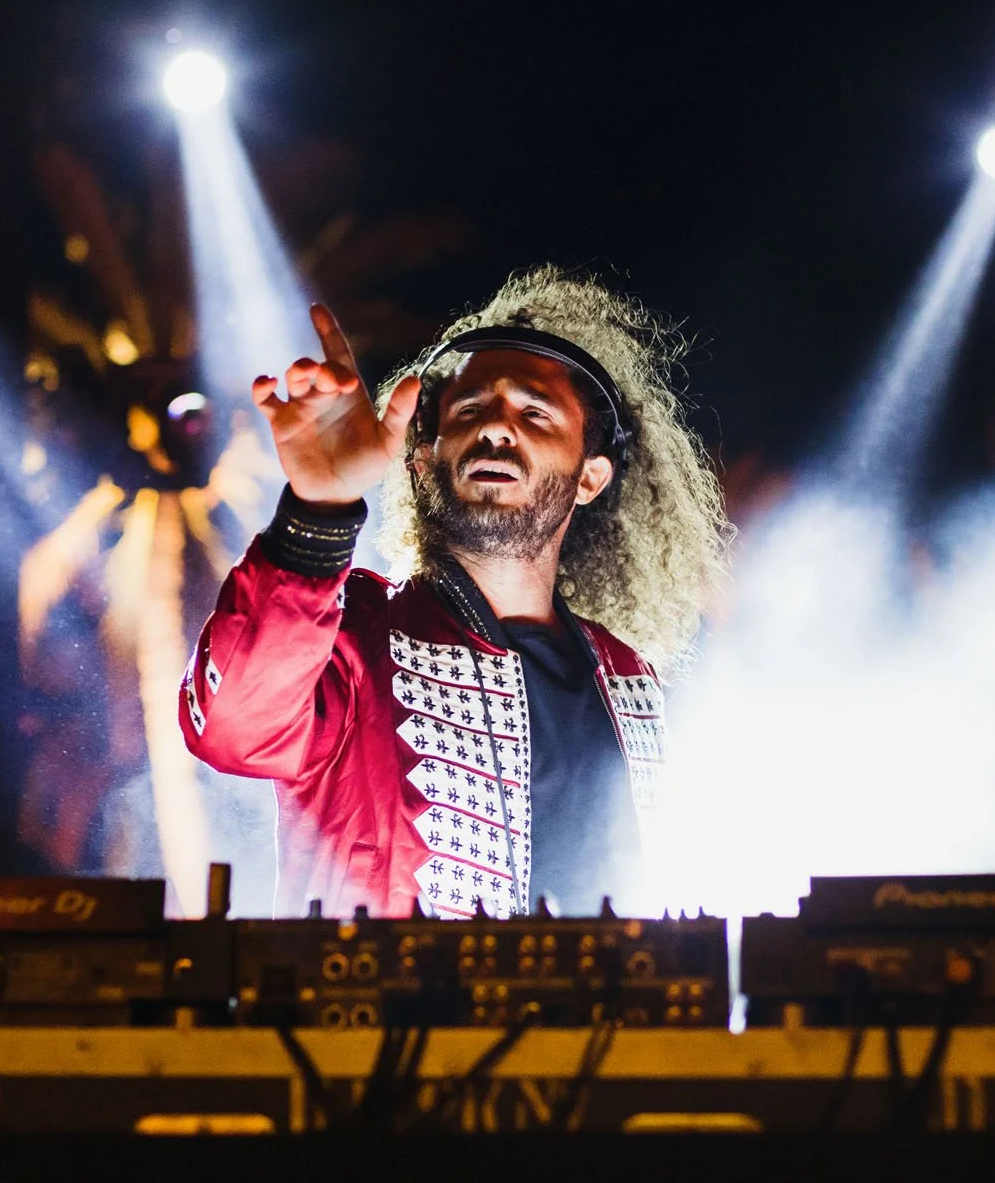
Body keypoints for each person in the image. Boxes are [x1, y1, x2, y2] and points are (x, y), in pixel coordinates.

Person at [181, 267, 730, 917]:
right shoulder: (354, 632)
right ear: (425, 461)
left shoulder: (627, 674)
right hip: (387, 1018)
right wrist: (318, 506)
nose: (497, 428)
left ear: (590, 478)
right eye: (470, 410)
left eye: (535, 413)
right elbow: (231, 729)